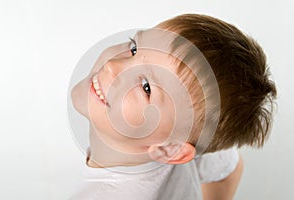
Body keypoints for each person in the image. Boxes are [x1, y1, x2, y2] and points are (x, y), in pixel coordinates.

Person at [68, 14, 276, 200]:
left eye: (146, 87)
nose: (113, 66)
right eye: (134, 49)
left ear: (171, 150)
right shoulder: (190, 139)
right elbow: (230, 170)